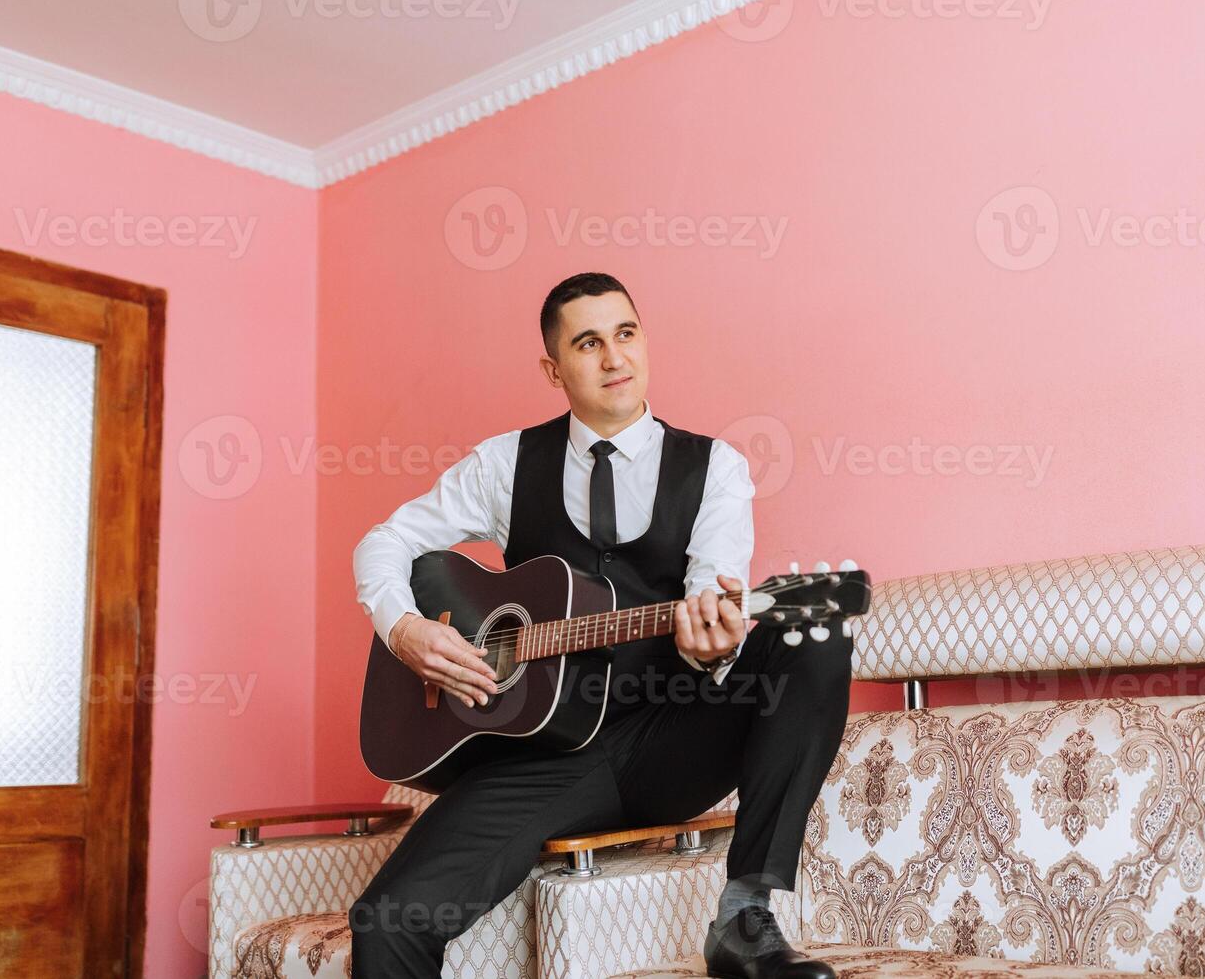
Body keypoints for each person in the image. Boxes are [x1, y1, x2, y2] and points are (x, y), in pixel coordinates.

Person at [350, 272, 852, 979]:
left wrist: (710, 645)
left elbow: (713, 586)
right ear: (553, 369)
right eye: (588, 343)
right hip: (540, 756)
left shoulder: (715, 469)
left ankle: (746, 914)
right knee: (388, 921)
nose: (615, 357)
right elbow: (384, 541)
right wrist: (403, 629)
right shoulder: (504, 464)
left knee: (813, 638)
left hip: (667, 737)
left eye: (626, 334)